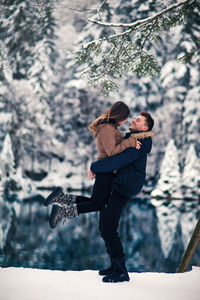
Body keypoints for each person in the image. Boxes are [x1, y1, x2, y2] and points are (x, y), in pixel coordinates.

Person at [44, 102, 153, 229]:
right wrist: (129, 142)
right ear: (120, 115)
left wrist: (98, 166)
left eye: (135, 119)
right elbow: (111, 152)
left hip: (106, 169)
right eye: (127, 117)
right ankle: (62, 208)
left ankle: (62, 200)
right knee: (97, 204)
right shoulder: (108, 128)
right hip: (106, 170)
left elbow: (112, 153)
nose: (129, 120)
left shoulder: (112, 129)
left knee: (97, 203)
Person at [89, 111, 154, 283]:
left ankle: (121, 271)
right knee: (105, 225)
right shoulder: (132, 139)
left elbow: (116, 161)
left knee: (108, 227)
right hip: (120, 184)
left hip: (125, 187)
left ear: (145, 127)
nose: (134, 120)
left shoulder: (139, 142)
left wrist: (95, 166)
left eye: (138, 120)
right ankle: (114, 265)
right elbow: (115, 156)